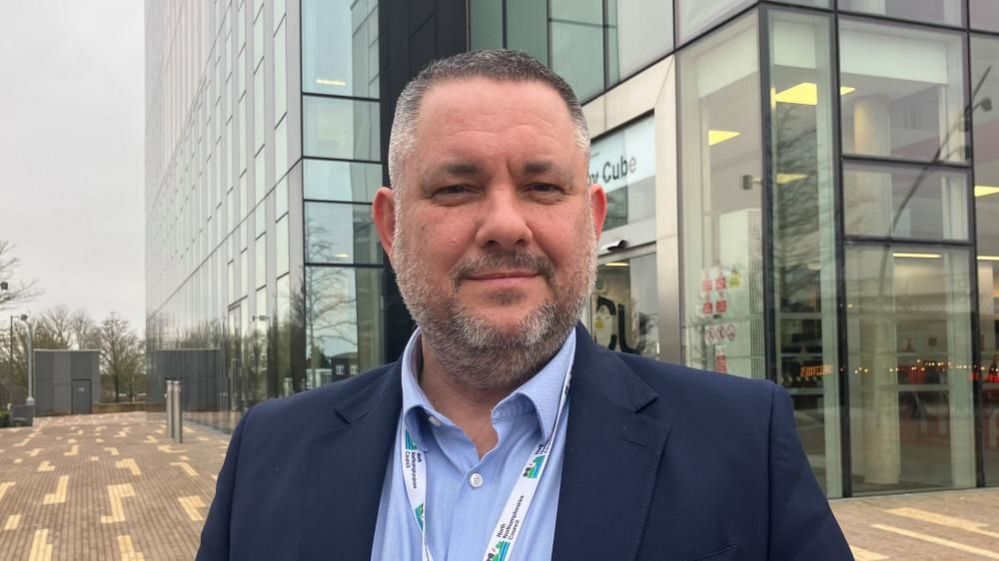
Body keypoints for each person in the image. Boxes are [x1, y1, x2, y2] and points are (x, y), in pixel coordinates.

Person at [196, 49, 853, 561]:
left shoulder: (739, 442)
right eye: (457, 187)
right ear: (391, 228)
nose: (506, 224)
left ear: (591, 220)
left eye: (541, 186)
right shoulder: (268, 453)